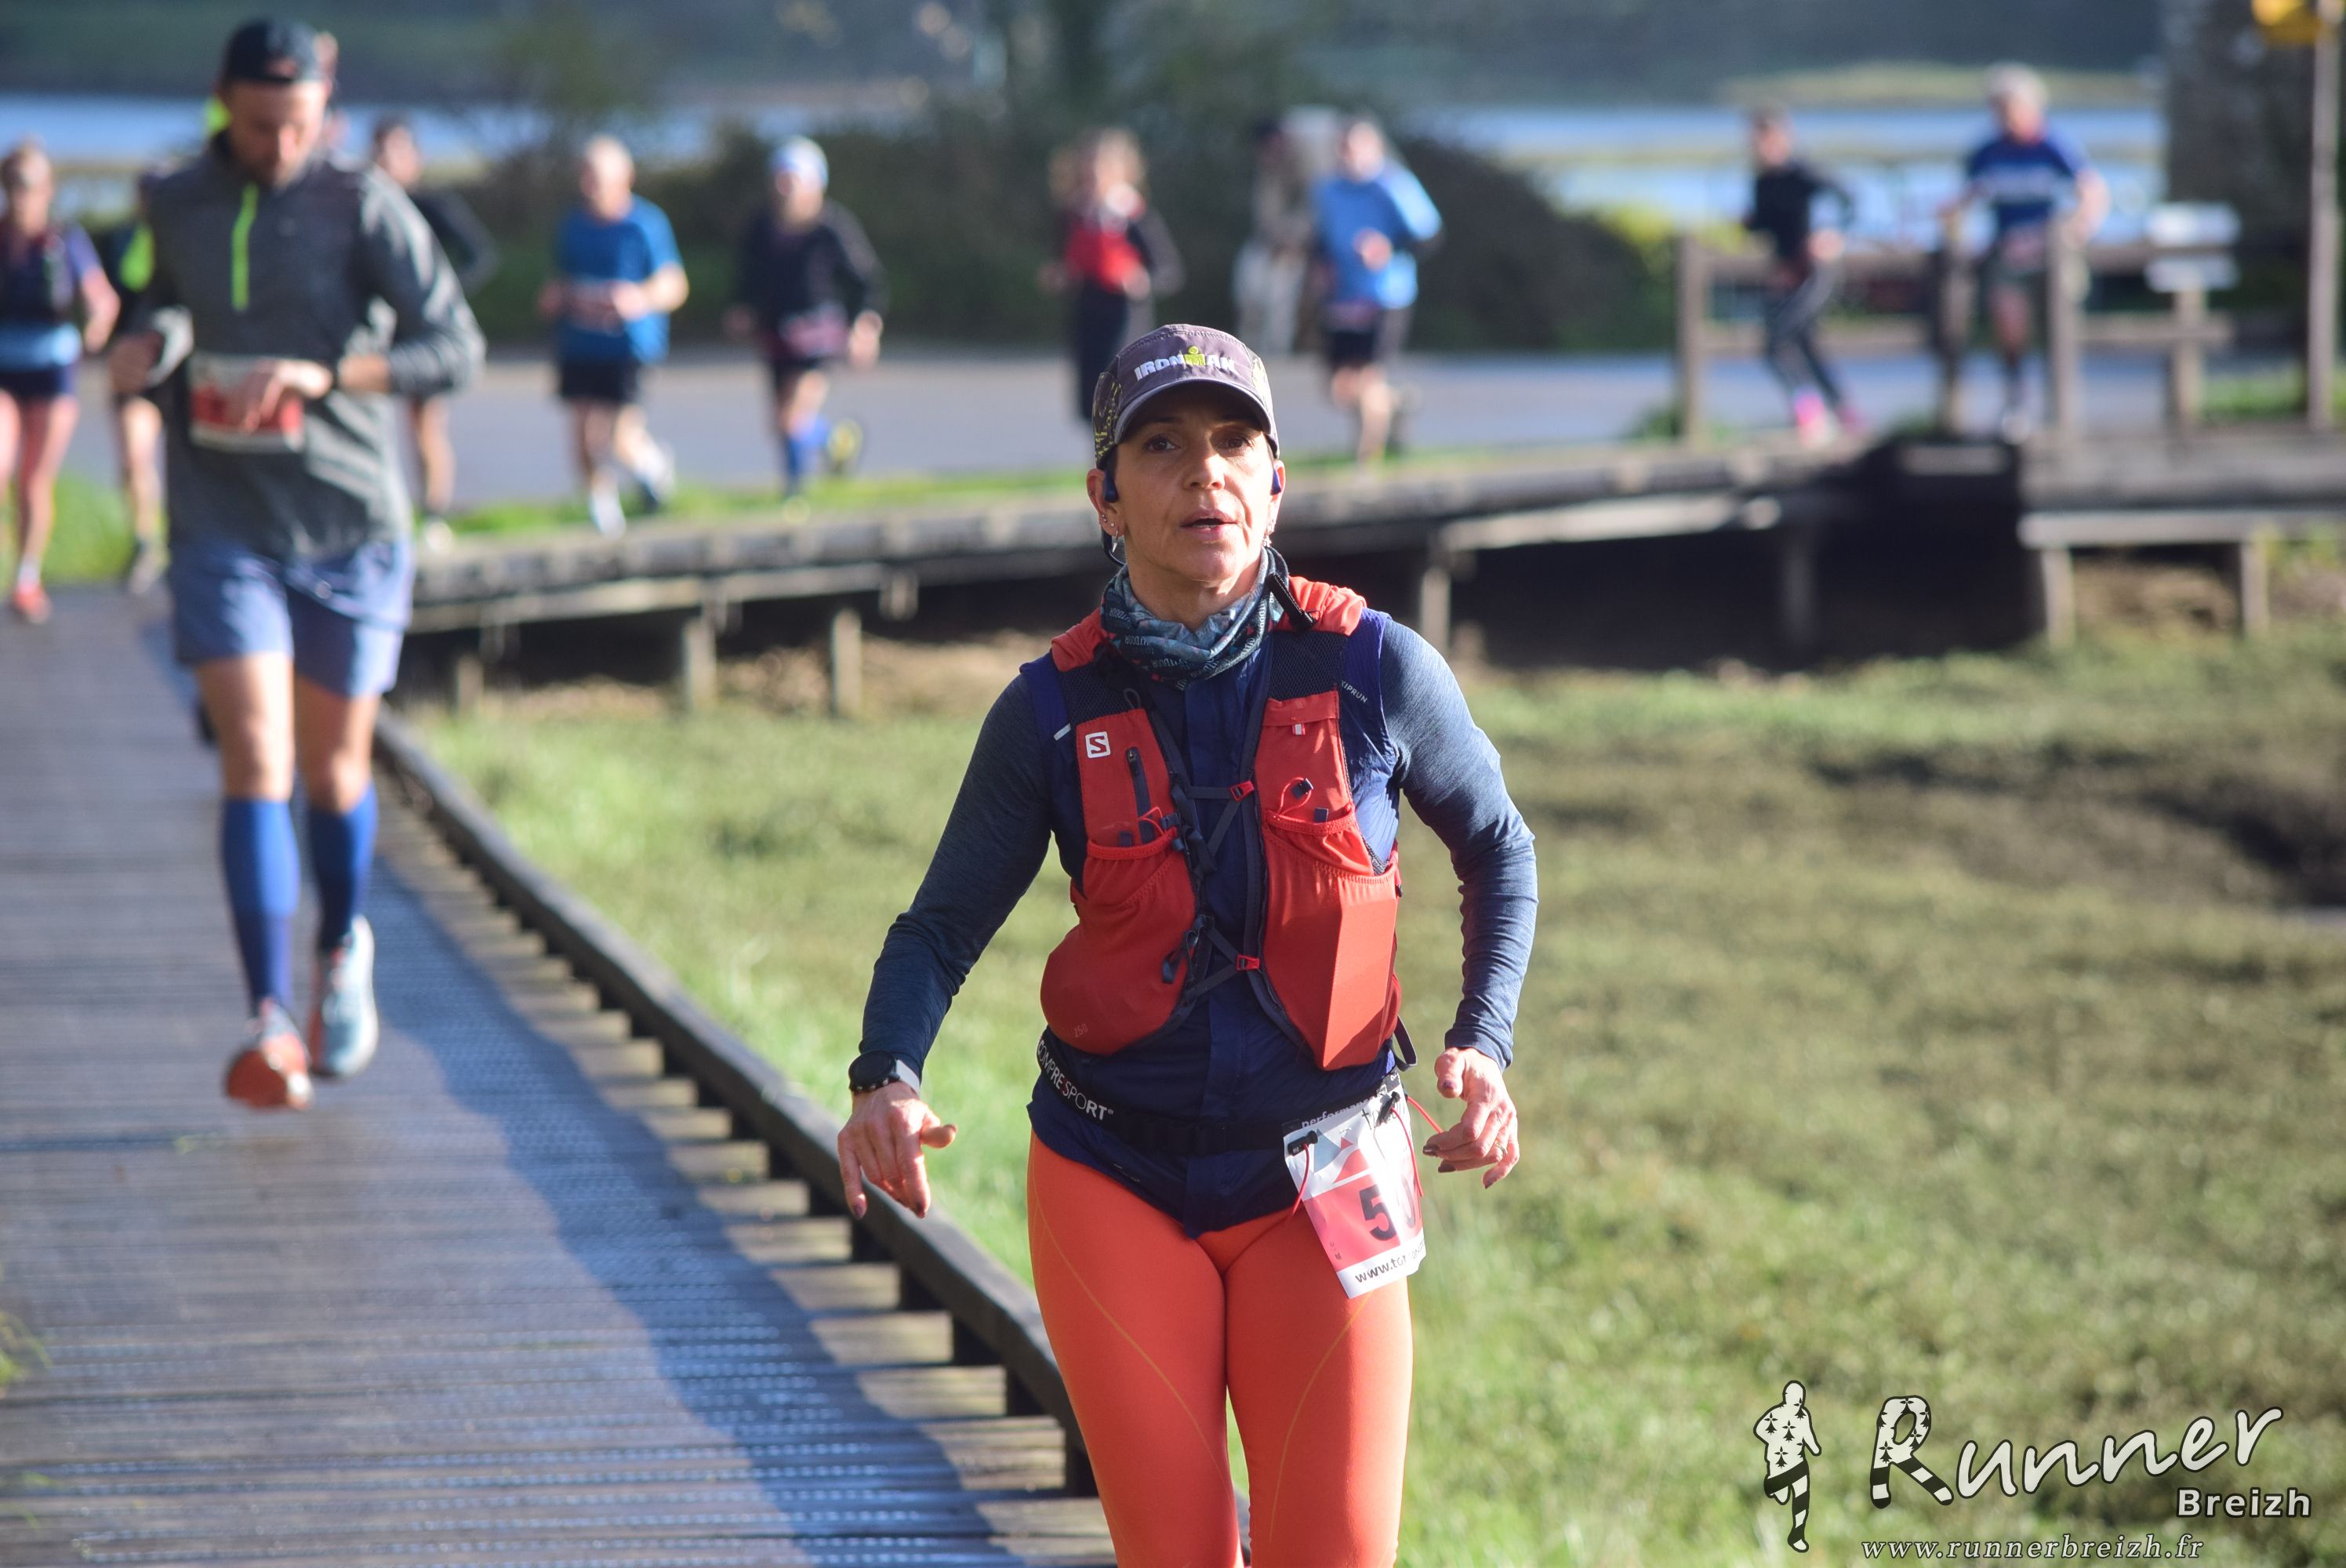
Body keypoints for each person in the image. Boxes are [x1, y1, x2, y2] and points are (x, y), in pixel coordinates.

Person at [835, 324, 1536, 1565]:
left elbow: (1498, 845)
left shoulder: (1374, 668)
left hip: (1328, 1174)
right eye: (1160, 446)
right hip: (1115, 1175)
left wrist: (1483, 1044)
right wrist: (887, 1076)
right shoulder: (1048, 712)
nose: (1204, 472)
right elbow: (938, 928)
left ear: (1277, 483)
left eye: (1232, 443)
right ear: (1105, 497)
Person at [110, 17, 484, 1110]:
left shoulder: (363, 203)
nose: (280, 146)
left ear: (327, 109)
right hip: (221, 519)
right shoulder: (172, 200)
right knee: (255, 760)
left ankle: (341, 946)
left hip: (349, 522)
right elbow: (144, 305)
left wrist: (329, 376)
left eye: (301, 125)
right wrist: (146, 348)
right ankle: (269, 1019)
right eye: (261, 124)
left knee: (332, 773)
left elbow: (454, 347)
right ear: (224, 102)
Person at [1942, 64, 2108, 441]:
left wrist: (2077, 229)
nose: (2004, 117)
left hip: (2051, 252)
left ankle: (2063, 407)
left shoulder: (2054, 146)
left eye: (2010, 108)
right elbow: (1965, 199)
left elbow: (2092, 191)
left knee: (2059, 322)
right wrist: (1950, 226)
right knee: (2009, 321)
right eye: (1997, 109)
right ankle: (2017, 399)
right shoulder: (1987, 152)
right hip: (2009, 252)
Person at [722, 136, 884, 498]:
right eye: (779, 180)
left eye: (792, 181)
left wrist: (864, 328)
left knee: (793, 418)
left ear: (814, 185)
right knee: (780, 422)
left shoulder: (833, 229)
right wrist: (743, 309)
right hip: (777, 335)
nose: (785, 190)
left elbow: (866, 283)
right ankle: (836, 441)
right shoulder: (761, 228)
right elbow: (748, 278)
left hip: (818, 335)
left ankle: (795, 495)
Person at [539, 135, 685, 537]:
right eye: (585, 175)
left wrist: (640, 298)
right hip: (580, 343)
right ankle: (604, 515)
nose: (590, 185)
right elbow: (560, 282)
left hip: (628, 346)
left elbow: (675, 284)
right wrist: (555, 298)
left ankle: (655, 468)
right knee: (584, 433)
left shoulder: (645, 225)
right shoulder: (573, 226)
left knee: (620, 437)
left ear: (625, 177)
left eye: (598, 176)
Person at [0, 140, 118, 623]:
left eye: (28, 185)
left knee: (34, 480)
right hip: (4, 368)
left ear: (47, 190)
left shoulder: (66, 240)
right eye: (12, 184)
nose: (19, 195)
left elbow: (103, 300)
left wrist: (95, 329)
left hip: (52, 368)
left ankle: (27, 578)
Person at [371, 116, 499, 544]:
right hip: (378, 333)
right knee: (371, 424)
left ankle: (434, 515)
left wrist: (439, 300)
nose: (387, 160)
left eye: (397, 151)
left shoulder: (433, 206)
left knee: (425, 426)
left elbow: (479, 255)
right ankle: (384, 515)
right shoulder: (363, 205)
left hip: (424, 335)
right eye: (381, 150)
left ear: (415, 157)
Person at [1311, 116, 1440, 467]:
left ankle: (1366, 462)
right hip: (1341, 297)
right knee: (1339, 388)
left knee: (1368, 379)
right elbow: (1322, 237)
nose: (1348, 156)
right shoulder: (1327, 189)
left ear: (1375, 149)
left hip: (1386, 295)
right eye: (1343, 148)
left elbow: (1429, 236)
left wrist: (1387, 248)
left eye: (1355, 148)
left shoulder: (1394, 185)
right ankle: (1397, 404)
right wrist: (1320, 268)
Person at [1040, 129, 1182, 423]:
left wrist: (1140, 280)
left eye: (1101, 168)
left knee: (1120, 392)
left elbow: (1169, 270)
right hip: (1087, 313)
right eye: (1088, 167)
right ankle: (1100, 451)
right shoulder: (1072, 215)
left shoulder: (1134, 216)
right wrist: (1058, 277)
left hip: (1124, 316)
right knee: (1091, 401)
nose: (1093, 175)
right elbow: (1062, 262)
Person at [1744, 107, 1859, 447]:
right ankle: (1842, 412)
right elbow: (1769, 227)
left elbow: (1848, 199)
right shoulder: (1761, 182)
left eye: (1767, 138)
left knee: (1777, 342)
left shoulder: (1803, 174)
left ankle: (1811, 413)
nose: (1762, 147)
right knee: (1804, 342)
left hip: (1815, 271)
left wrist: (1833, 234)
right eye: (1756, 140)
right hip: (1787, 274)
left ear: (1783, 138)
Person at [94, 171, 168, 594]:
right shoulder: (122, 240)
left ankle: (183, 542)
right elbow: (109, 297)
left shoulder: (190, 241)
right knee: (135, 457)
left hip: (177, 369)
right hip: (132, 367)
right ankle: (145, 540)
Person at [1232, 118, 1315, 355]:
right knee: (1249, 293)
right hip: (1269, 241)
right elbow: (1265, 210)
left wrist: (1295, 238)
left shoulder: (1311, 152)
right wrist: (1274, 234)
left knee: (1280, 302)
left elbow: (1317, 207)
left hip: (1299, 244)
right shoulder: (1268, 163)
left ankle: (1276, 353)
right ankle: (1246, 353)